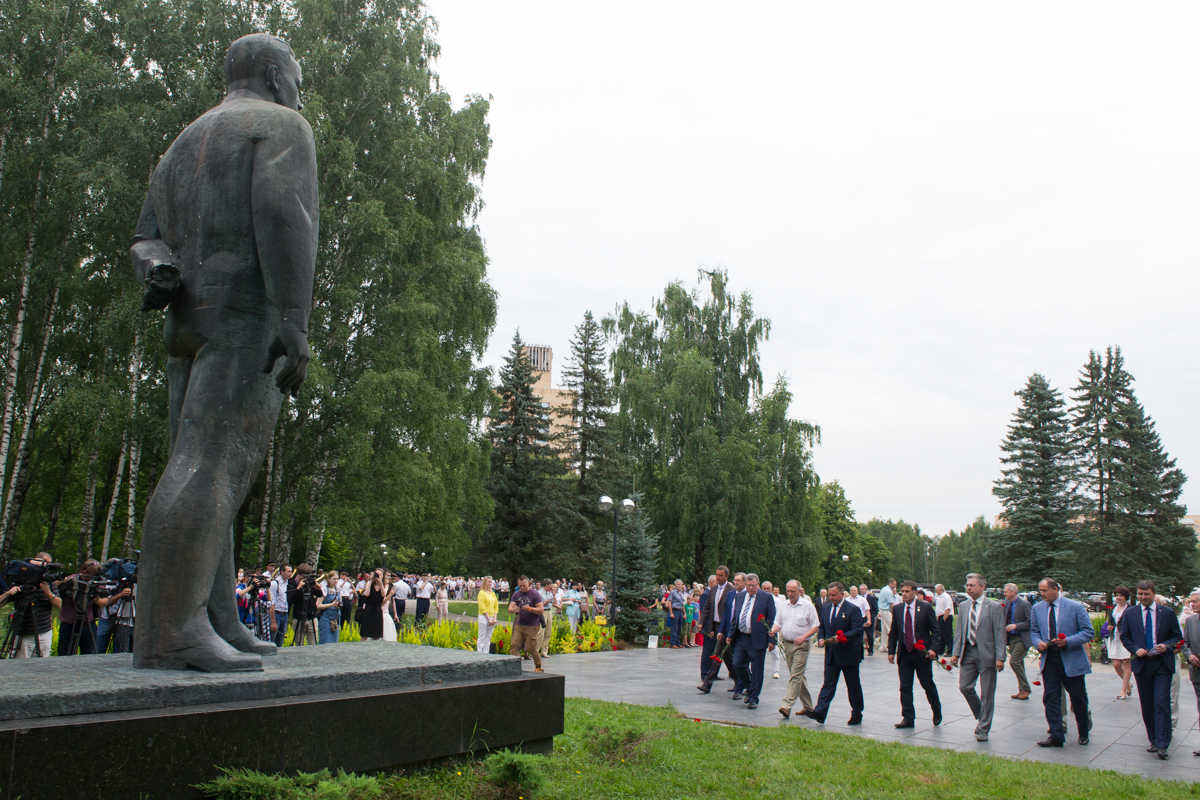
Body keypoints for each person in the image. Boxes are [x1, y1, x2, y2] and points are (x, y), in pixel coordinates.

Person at [129, 33, 316, 672]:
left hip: (186, 318)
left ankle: (215, 617)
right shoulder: (280, 125)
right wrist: (294, 318)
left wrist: (156, 270)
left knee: (207, 467)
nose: (298, 85)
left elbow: (145, 238)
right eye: (295, 73)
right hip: (244, 313)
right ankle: (170, 631)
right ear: (271, 72)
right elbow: (282, 212)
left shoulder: (181, 143)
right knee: (213, 466)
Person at [1119, 580, 1183, 760]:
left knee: (1161, 702)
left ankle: (1163, 744)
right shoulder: (1130, 613)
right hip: (1142, 663)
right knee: (1147, 704)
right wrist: (1135, 648)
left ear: (1154, 593)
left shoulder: (1167, 613)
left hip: (1162, 663)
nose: (1143, 597)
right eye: (1140, 594)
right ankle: (1153, 739)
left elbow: (1177, 637)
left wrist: (1167, 646)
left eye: (1146, 594)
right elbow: (1125, 636)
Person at [1031, 577, 1093, 748]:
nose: (1041, 594)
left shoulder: (1075, 607)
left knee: (1078, 698)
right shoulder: (1037, 608)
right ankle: (1056, 735)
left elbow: (1088, 632)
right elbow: (1034, 632)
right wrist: (1038, 643)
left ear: (1055, 589)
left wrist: (1068, 641)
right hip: (1049, 659)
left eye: (1044, 590)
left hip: (1071, 658)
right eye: (1040, 590)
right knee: (1050, 697)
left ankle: (1083, 732)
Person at [948, 573, 1006, 741]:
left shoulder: (994, 607)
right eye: (967, 585)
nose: (968, 588)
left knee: (987, 693)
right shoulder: (964, 605)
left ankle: (983, 728)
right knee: (965, 687)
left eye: (972, 585)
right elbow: (959, 631)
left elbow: (1000, 633)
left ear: (982, 587)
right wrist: (955, 653)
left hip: (987, 654)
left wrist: (1000, 657)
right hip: (968, 652)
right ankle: (982, 714)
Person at [805, 582, 865, 725]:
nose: (831, 597)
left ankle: (857, 712)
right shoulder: (826, 609)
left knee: (853, 685)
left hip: (849, 654)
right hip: (831, 654)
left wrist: (842, 638)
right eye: (829, 595)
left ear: (842, 594)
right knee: (828, 684)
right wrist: (820, 638)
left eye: (834, 595)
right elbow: (823, 627)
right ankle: (820, 711)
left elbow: (857, 630)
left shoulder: (853, 609)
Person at [887, 579, 942, 728]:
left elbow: (936, 632)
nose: (904, 594)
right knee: (905, 686)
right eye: (902, 592)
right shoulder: (898, 609)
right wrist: (891, 651)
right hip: (905, 652)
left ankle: (936, 711)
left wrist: (933, 649)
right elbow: (894, 632)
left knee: (927, 684)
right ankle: (908, 717)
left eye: (907, 592)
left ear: (915, 593)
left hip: (921, 653)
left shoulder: (925, 607)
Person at [57, 560, 127, 655]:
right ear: (84, 572)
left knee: (90, 657)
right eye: (90, 576)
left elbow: (106, 601)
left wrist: (97, 600)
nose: (92, 579)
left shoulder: (97, 582)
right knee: (65, 657)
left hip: (89, 625)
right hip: (69, 625)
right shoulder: (70, 581)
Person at [727, 574, 776, 709]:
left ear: (758, 584)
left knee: (757, 669)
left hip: (758, 638)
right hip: (741, 637)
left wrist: (772, 640)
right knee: (737, 664)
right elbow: (735, 617)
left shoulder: (766, 597)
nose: (751, 588)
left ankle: (754, 697)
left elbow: (772, 620)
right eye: (748, 586)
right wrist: (730, 635)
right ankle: (750, 687)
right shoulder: (740, 596)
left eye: (753, 585)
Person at [773, 580, 820, 719]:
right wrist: (773, 631)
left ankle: (786, 705)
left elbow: (815, 626)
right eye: (788, 591)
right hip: (787, 644)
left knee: (795, 675)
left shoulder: (807, 606)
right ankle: (808, 707)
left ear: (800, 591)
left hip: (802, 645)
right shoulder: (783, 605)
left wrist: (804, 636)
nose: (790, 594)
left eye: (793, 591)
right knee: (798, 676)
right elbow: (778, 622)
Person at [0, 552, 61, 657]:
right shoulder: (19, 583)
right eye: (45, 563)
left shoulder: (48, 583)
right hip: (23, 634)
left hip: (44, 633)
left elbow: (58, 605)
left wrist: (49, 594)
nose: (46, 567)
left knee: (41, 667)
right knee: (20, 666)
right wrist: (8, 593)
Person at [1001, 582, 1033, 700]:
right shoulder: (1007, 604)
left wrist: (1016, 626)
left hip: (1022, 638)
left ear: (1013, 592)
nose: (1004, 593)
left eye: (1006, 591)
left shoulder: (1024, 605)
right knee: (1019, 663)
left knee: (1014, 662)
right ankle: (1022, 690)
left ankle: (1026, 688)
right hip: (1012, 639)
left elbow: (1031, 622)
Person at [699, 568, 731, 683]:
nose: (718, 577)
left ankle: (735, 675)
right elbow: (706, 608)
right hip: (713, 627)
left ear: (726, 576)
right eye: (717, 575)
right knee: (714, 652)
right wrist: (702, 623)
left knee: (725, 653)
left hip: (725, 627)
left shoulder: (731, 590)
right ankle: (707, 678)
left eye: (720, 575)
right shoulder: (712, 590)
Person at [508, 576, 545, 672]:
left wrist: (529, 609)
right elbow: (510, 609)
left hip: (532, 624)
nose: (522, 588)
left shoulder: (534, 594)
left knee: (531, 648)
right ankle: (511, 666)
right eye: (520, 586)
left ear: (528, 583)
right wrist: (513, 610)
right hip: (520, 624)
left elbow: (541, 609)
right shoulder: (516, 594)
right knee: (514, 645)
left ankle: (538, 666)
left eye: (524, 585)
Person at [1179, 593, 1200, 756]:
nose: (1191, 605)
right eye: (1191, 602)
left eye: (1195, 602)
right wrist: (1189, 655)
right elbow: (1184, 644)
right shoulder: (1190, 621)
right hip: (1197, 671)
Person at [1106, 586, 1134, 700]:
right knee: (1116, 665)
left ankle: (1123, 690)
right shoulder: (1112, 608)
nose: (1119, 597)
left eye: (1121, 595)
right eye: (1117, 595)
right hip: (1115, 638)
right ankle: (1128, 683)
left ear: (1126, 597)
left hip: (1126, 639)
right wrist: (1110, 627)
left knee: (1127, 664)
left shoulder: (1130, 609)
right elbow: (1111, 621)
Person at [268, 564, 292, 647]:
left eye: (291, 571)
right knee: (273, 637)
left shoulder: (287, 584)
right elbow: (271, 602)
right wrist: (273, 621)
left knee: (280, 639)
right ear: (282, 572)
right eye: (288, 571)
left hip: (284, 613)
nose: (290, 573)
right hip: (277, 613)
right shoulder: (275, 584)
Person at [358, 570, 385, 641]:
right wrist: (370, 581)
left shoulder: (383, 585)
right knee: (365, 633)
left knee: (377, 634)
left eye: (380, 575)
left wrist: (381, 583)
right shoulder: (369, 584)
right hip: (369, 610)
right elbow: (366, 594)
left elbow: (383, 595)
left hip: (378, 610)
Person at [316, 571, 341, 644]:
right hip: (326, 617)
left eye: (337, 579)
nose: (336, 581)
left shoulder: (338, 589)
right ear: (329, 579)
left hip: (336, 616)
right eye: (334, 579)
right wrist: (331, 605)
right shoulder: (324, 589)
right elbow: (318, 605)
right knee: (325, 639)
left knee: (334, 639)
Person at [477, 576, 498, 653]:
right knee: (482, 636)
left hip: (492, 616)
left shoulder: (492, 593)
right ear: (485, 583)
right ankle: (479, 652)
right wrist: (489, 618)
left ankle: (486, 652)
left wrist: (494, 618)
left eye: (491, 582)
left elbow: (496, 606)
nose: (490, 583)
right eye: (488, 582)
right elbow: (482, 607)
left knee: (488, 637)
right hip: (484, 616)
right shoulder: (481, 593)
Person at [877, 578, 898, 653]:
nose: (895, 586)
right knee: (891, 628)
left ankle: (883, 646)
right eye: (895, 584)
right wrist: (896, 613)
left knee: (884, 630)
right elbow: (891, 604)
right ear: (891, 583)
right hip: (886, 610)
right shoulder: (889, 591)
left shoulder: (884, 589)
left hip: (882, 610)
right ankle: (894, 647)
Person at [934, 584, 955, 657]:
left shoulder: (946, 597)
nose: (936, 591)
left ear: (939, 590)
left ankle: (950, 650)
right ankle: (940, 650)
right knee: (941, 634)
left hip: (946, 616)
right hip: (940, 616)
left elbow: (948, 608)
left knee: (947, 634)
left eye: (936, 590)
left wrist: (944, 619)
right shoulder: (940, 597)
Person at [667, 579, 687, 648]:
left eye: (679, 584)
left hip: (680, 611)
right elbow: (669, 602)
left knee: (679, 628)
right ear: (675, 585)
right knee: (674, 627)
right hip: (674, 610)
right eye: (677, 584)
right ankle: (673, 643)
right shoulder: (673, 592)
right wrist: (671, 612)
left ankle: (678, 642)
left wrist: (684, 613)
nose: (678, 585)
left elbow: (683, 603)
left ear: (682, 585)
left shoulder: (682, 592)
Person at [861, 584, 879, 656]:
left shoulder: (871, 598)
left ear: (866, 589)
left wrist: (871, 617)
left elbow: (875, 609)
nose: (862, 591)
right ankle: (861, 650)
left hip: (869, 619)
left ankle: (870, 650)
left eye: (863, 589)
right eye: (861, 589)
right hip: (861, 619)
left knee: (870, 636)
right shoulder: (858, 598)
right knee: (860, 635)